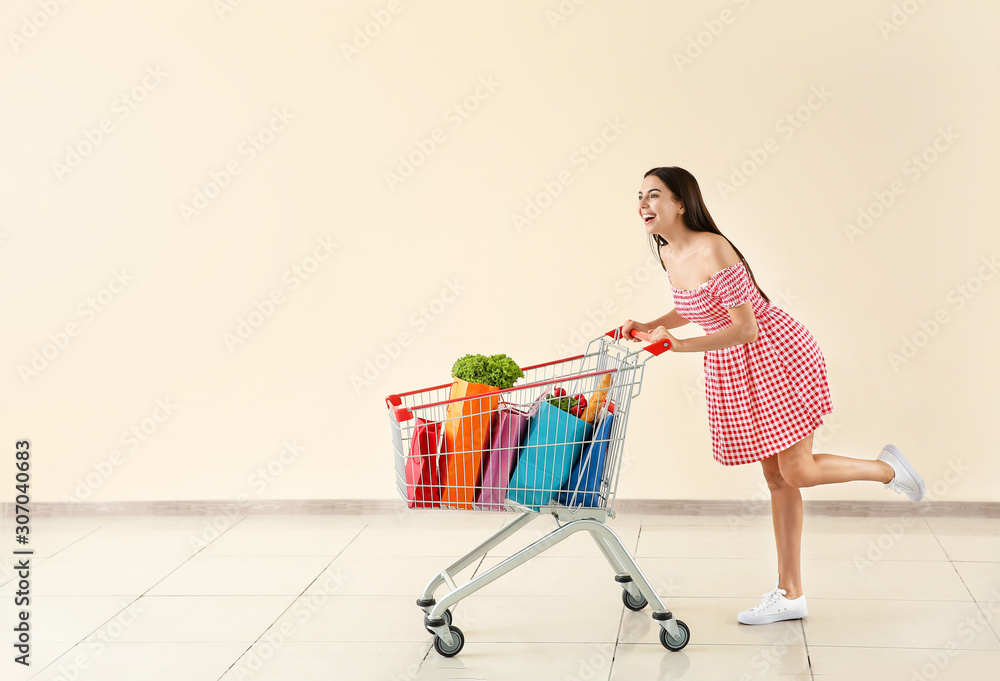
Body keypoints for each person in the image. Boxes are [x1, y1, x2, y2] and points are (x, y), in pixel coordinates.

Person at [621, 166, 925, 625]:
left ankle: (887, 470)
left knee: (796, 471)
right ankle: (790, 594)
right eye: (640, 196)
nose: (644, 204)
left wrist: (679, 345)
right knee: (778, 480)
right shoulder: (668, 254)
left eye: (655, 195)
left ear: (681, 202)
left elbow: (745, 326)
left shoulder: (715, 248)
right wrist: (649, 325)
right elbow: (695, 307)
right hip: (735, 367)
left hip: (776, 356)